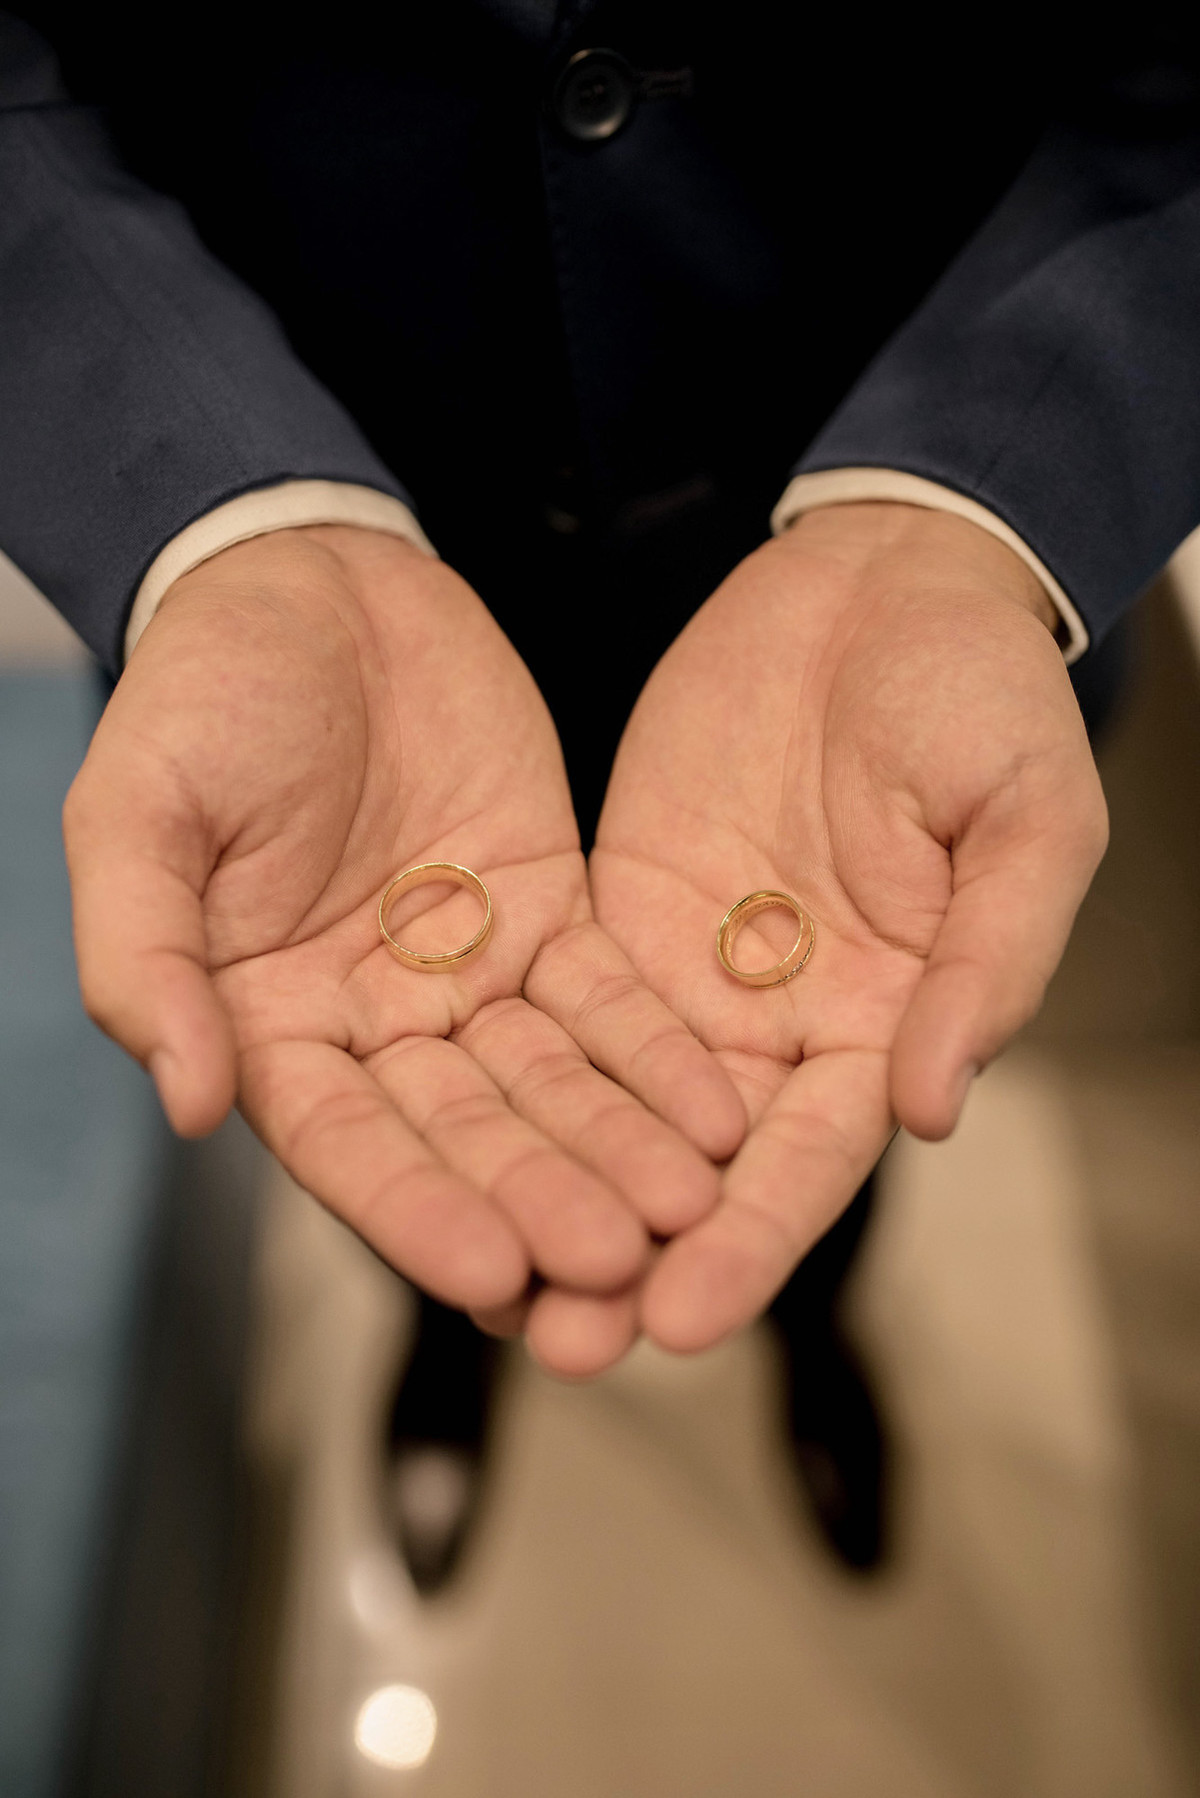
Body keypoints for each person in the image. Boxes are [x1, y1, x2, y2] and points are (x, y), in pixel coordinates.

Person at [2, 7, 1195, 1574]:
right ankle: (447, 1335)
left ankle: (814, 1327)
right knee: (416, 1104)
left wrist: (984, 506)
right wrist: (217, 511)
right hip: (322, 569)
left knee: (833, 1077)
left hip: (885, 558)